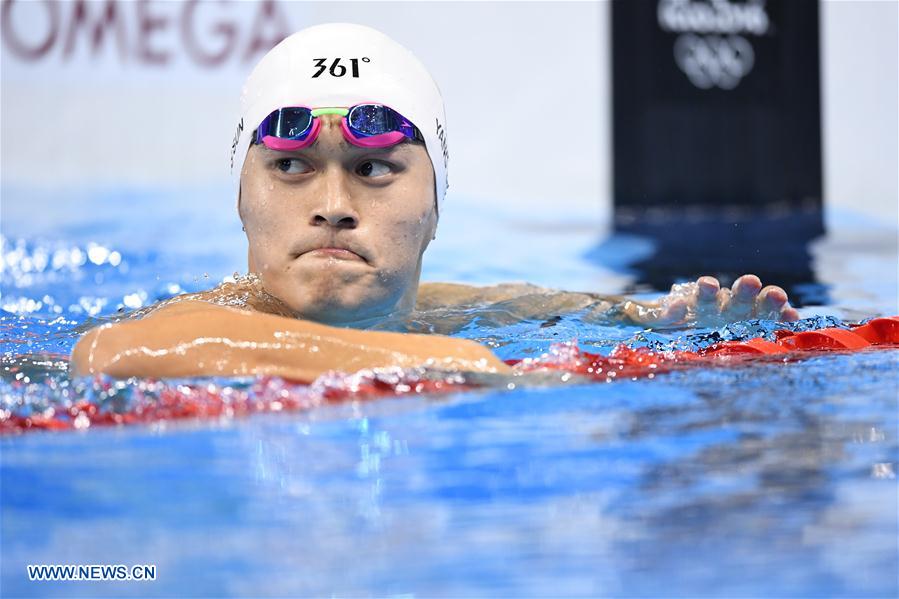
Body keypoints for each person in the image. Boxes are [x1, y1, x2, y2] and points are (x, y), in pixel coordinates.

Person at [71, 23, 798, 383]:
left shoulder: (453, 314)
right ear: (240, 198)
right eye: (291, 167)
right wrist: (464, 365)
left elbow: (538, 306)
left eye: (374, 169)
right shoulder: (194, 325)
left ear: (437, 208)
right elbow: (109, 350)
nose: (332, 204)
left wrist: (666, 321)